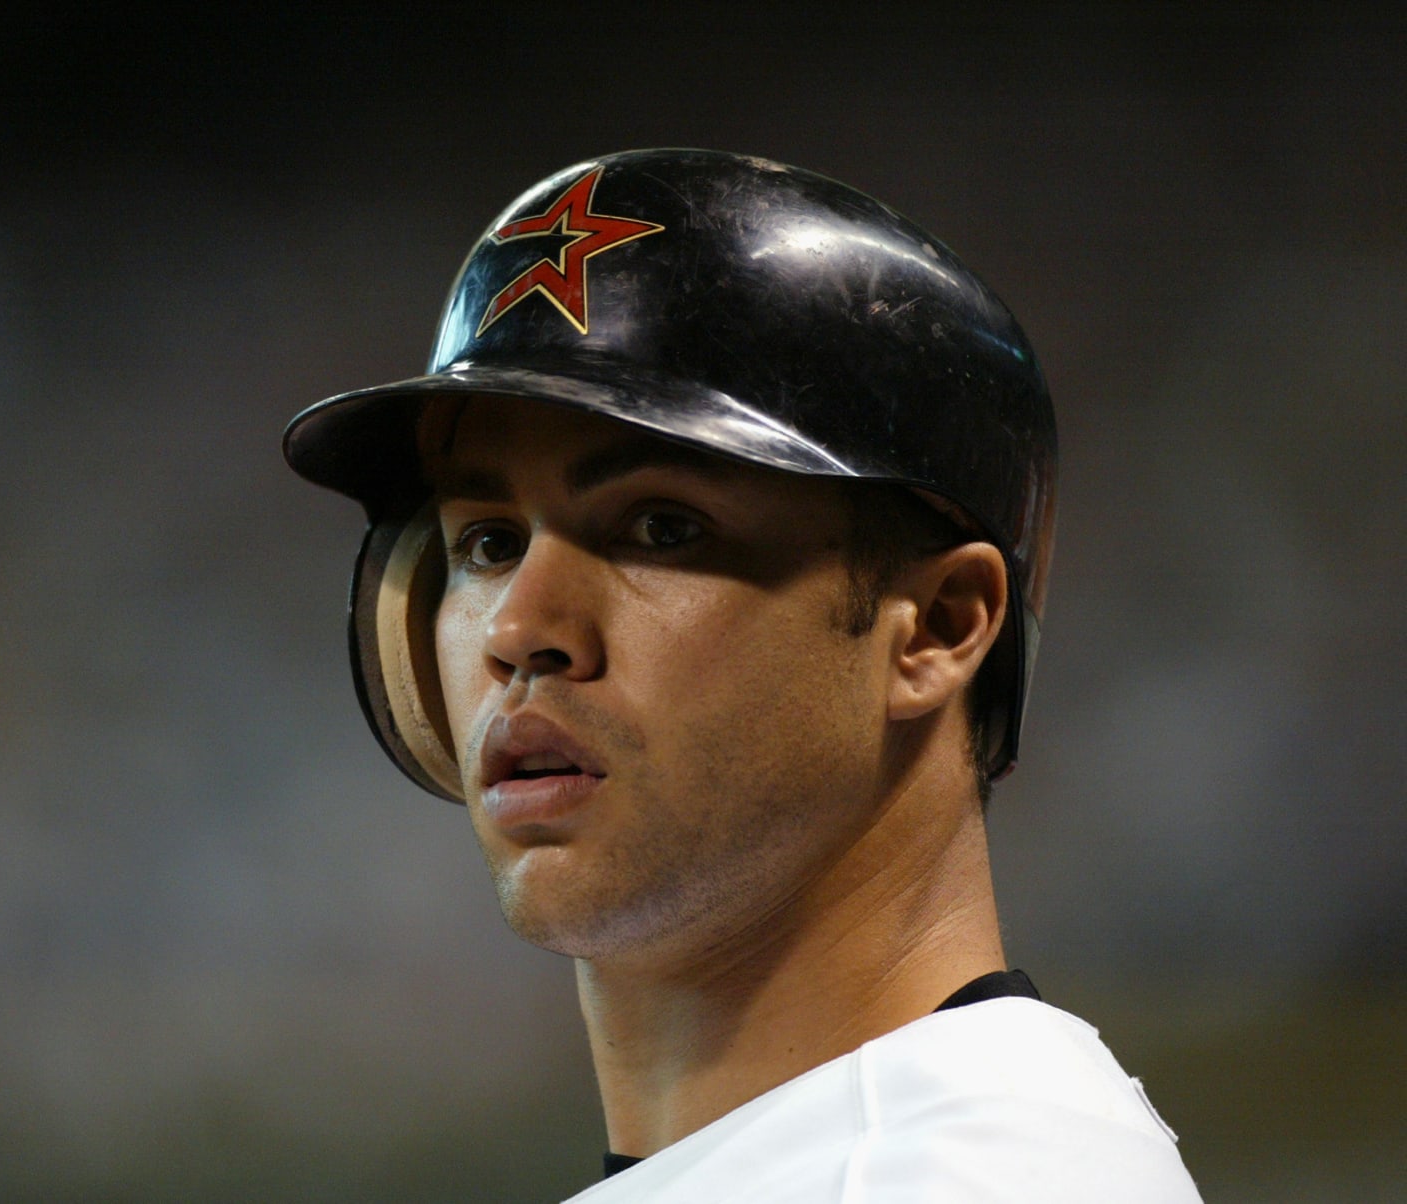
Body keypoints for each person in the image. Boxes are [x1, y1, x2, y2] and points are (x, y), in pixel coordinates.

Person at [283, 149, 1200, 1202]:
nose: (521, 629)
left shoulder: (964, 1177)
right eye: (487, 542)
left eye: (660, 527)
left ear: (938, 630)